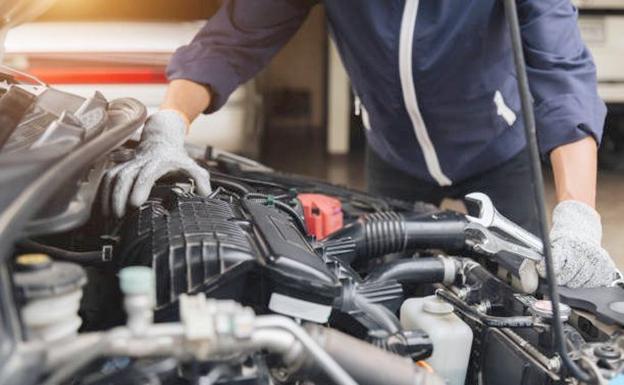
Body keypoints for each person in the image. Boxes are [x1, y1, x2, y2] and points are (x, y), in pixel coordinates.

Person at [104, 0, 619, 288]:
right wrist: (169, 122)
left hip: (499, 152)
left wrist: (578, 214)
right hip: (394, 153)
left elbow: (561, 72)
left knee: (526, 293)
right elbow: (234, 37)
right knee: (388, 284)